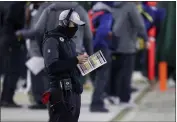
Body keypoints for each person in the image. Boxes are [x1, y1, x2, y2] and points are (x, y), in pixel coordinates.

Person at [42, 9, 88, 122]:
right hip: (59, 91)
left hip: (72, 91)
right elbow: (52, 67)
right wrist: (75, 60)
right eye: (73, 24)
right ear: (64, 22)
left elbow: (70, 65)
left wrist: (83, 65)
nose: (76, 28)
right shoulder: (52, 40)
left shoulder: (70, 42)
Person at [109, 2, 148, 107]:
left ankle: (112, 95)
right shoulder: (130, 6)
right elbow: (139, 24)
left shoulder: (113, 5)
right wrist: (146, 39)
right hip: (127, 45)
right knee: (126, 74)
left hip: (113, 44)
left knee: (115, 71)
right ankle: (124, 100)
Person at [89, 2, 114, 112]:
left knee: (90, 73)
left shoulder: (91, 12)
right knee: (102, 76)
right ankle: (97, 103)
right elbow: (102, 32)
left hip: (87, 48)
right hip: (100, 49)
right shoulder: (106, 14)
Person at [0, 2, 26, 108]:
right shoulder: (17, 5)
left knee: (9, 71)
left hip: (5, 39)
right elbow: (15, 21)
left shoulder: (5, 4)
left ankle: (5, 98)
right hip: (12, 40)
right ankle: (7, 99)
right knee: (13, 71)